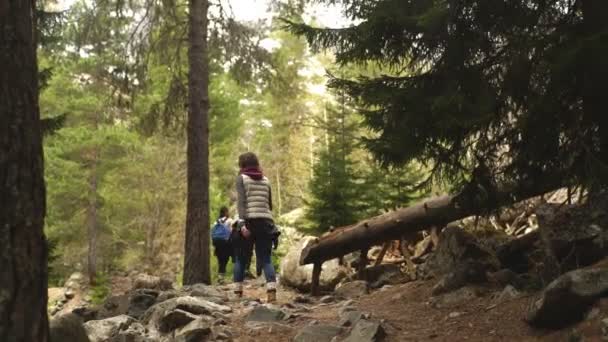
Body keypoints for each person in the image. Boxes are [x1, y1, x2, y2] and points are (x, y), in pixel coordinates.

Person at [233, 152, 280, 302]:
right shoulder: (266, 180)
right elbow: (270, 204)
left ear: (242, 165)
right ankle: (271, 292)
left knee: (241, 258)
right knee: (266, 259)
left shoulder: (241, 179)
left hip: (249, 222)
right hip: (266, 222)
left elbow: (241, 203)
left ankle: (237, 294)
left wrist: (241, 224)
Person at [211, 206, 232, 283]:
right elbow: (231, 231)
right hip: (225, 242)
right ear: (226, 212)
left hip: (217, 243)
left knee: (220, 260)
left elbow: (213, 232)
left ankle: (220, 277)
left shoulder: (216, 221)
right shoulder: (229, 220)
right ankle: (222, 277)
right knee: (225, 259)